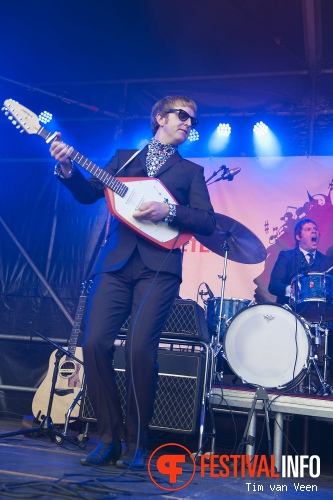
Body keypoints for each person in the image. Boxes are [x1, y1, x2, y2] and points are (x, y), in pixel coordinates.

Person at [49, 96, 216, 469]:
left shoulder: (190, 171)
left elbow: (207, 221)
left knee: (141, 350)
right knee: (93, 344)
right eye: (182, 115)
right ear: (159, 117)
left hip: (159, 267)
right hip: (115, 264)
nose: (189, 123)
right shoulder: (125, 157)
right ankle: (108, 439)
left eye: (193, 120)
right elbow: (89, 194)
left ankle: (138, 444)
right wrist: (66, 168)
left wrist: (168, 210)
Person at [268, 218, 333, 304]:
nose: (314, 231)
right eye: (308, 229)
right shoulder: (286, 256)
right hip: (290, 312)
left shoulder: (327, 261)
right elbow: (274, 286)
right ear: (298, 237)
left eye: (315, 229)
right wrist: (292, 290)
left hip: (319, 314)